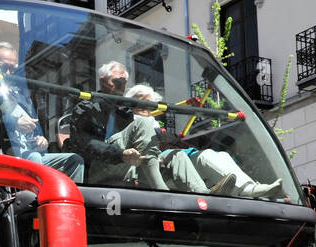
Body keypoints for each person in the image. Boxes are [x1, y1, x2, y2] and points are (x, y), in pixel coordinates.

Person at [120, 84, 284, 198]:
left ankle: (249, 188)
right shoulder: (129, 121)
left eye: (149, 102)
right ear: (131, 103)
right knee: (183, 156)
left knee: (215, 155)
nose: (146, 105)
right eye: (141, 100)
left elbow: (174, 143)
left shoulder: (154, 122)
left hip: (174, 160)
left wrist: (173, 139)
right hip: (152, 165)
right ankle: (210, 192)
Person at [0, 42, 85, 183]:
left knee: (74, 160)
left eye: (13, 69)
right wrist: (13, 122)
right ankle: (36, 203)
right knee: (34, 158)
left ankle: (73, 203)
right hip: (5, 155)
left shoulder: (22, 95)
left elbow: (36, 129)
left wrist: (41, 140)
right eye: (4, 68)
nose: (9, 73)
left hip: (30, 154)